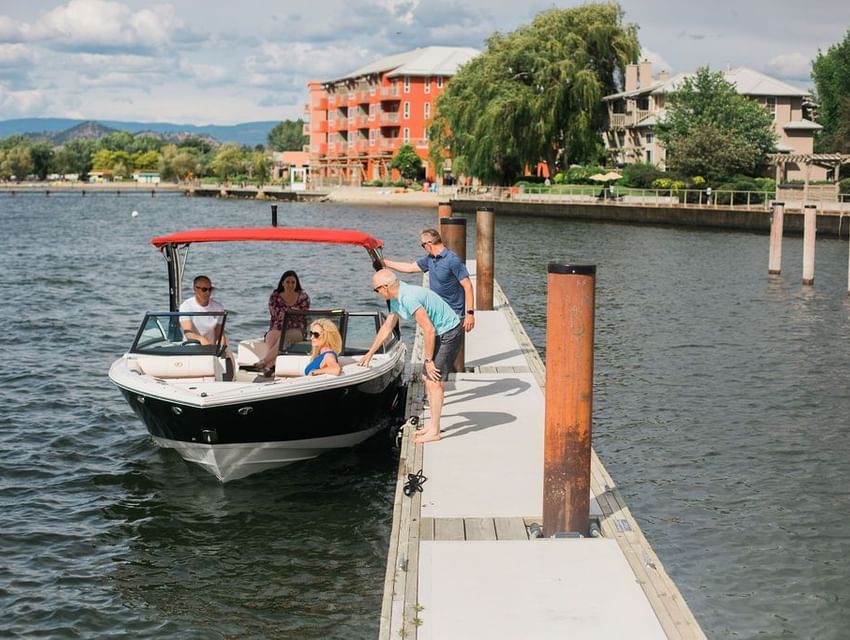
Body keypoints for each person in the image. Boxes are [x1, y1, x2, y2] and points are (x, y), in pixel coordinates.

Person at [359, 269, 462, 444]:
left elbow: (428, 329)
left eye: (376, 290)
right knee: (426, 378)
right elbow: (387, 327)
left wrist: (429, 361)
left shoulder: (408, 297)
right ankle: (432, 425)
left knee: (434, 381)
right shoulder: (395, 299)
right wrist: (370, 353)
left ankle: (435, 431)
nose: (376, 293)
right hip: (438, 332)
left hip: (449, 332)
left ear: (385, 287)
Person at [382, 228, 475, 334]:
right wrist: (384, 262)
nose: (423, 248)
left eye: (423, 245)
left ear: (429, 243)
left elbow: (468, 286)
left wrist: (470, 314)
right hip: (438, 312)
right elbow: (410, 267)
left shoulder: (452, 260)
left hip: (454, 315)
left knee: (447, 350)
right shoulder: (431, 259)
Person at [256, 270, 310, 376]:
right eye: (288, 282)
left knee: (284, 337)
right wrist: (290, 312)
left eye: (293, 282)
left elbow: (302, 313)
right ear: (282, 283)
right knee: (271, 336)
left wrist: (287, 312)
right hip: (278, 327)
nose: (290, 285)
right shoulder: (275, 296)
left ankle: (265, 362)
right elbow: (275, 313)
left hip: (297, 329)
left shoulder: (303, 297)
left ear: (296, 284)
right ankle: (270, 366)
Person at [179, 275, 226, 346]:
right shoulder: (186, 306)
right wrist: (201, 339)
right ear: (194, 289)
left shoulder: (219, 307)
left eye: (210, 289)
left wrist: (220, 348)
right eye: (204, 289)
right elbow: (188, 332)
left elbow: (219, 333)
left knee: (225, 341)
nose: (208, 293)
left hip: (211, 349)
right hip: (191, 347)